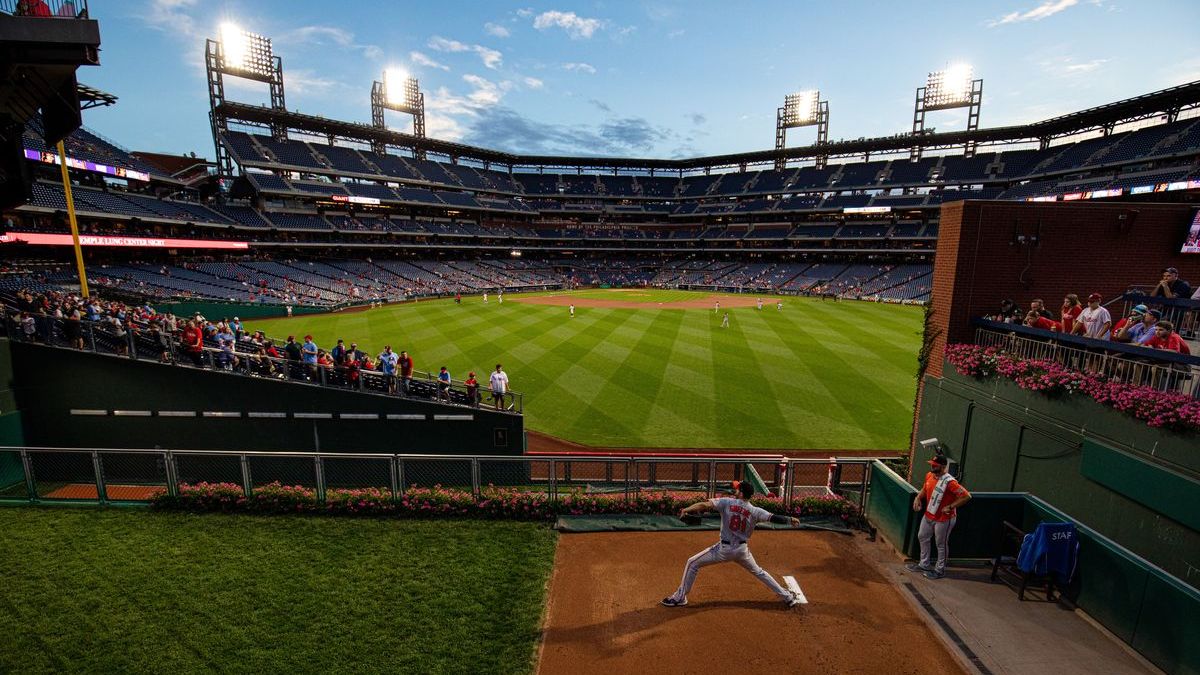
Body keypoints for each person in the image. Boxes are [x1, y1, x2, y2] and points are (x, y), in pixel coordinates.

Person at [661, 480, 802, 608]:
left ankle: (680, 597)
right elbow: (774, 518)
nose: (735, 490)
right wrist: (790, 519)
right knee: (759, 572)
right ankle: (788, 597)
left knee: (692, 563)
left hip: (724, 549)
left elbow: (704, 505)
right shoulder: (755, 511)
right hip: (742, 550)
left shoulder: (726, 502)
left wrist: (686, 509)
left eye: (737, 489)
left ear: (741, 493)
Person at [907, 454, 971, 580]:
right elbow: (925, 489)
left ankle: (939, 570)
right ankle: (924, 564)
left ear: (942, 467)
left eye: (935, 465)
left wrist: (951, 506)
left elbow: (967, 496)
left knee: (941, 544)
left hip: (944, 519)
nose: (932, 466)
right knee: (922, 536)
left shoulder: (950, 482)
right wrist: (918, 497)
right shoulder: (929, 475)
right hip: (929, 514)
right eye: (932, 464)